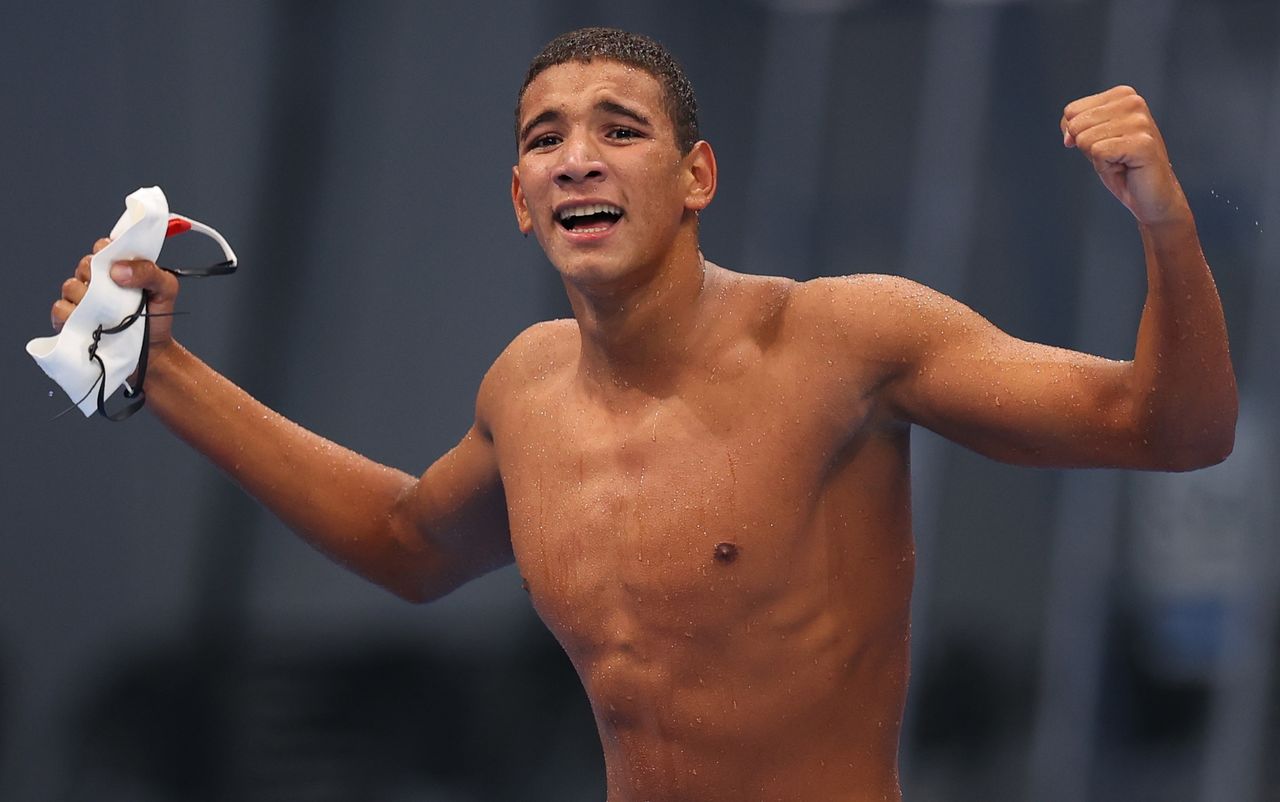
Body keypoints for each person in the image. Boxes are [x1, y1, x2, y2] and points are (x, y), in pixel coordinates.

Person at [49, 27, 1235, 802]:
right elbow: (411, 547)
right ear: (519, 200)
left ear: (695, 177)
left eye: (620, 130)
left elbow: (1171, 429)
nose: (578, 160)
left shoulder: (841, 340)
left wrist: (1163, 224)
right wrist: (166, 377)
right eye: (544, 141)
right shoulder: (526, 385)